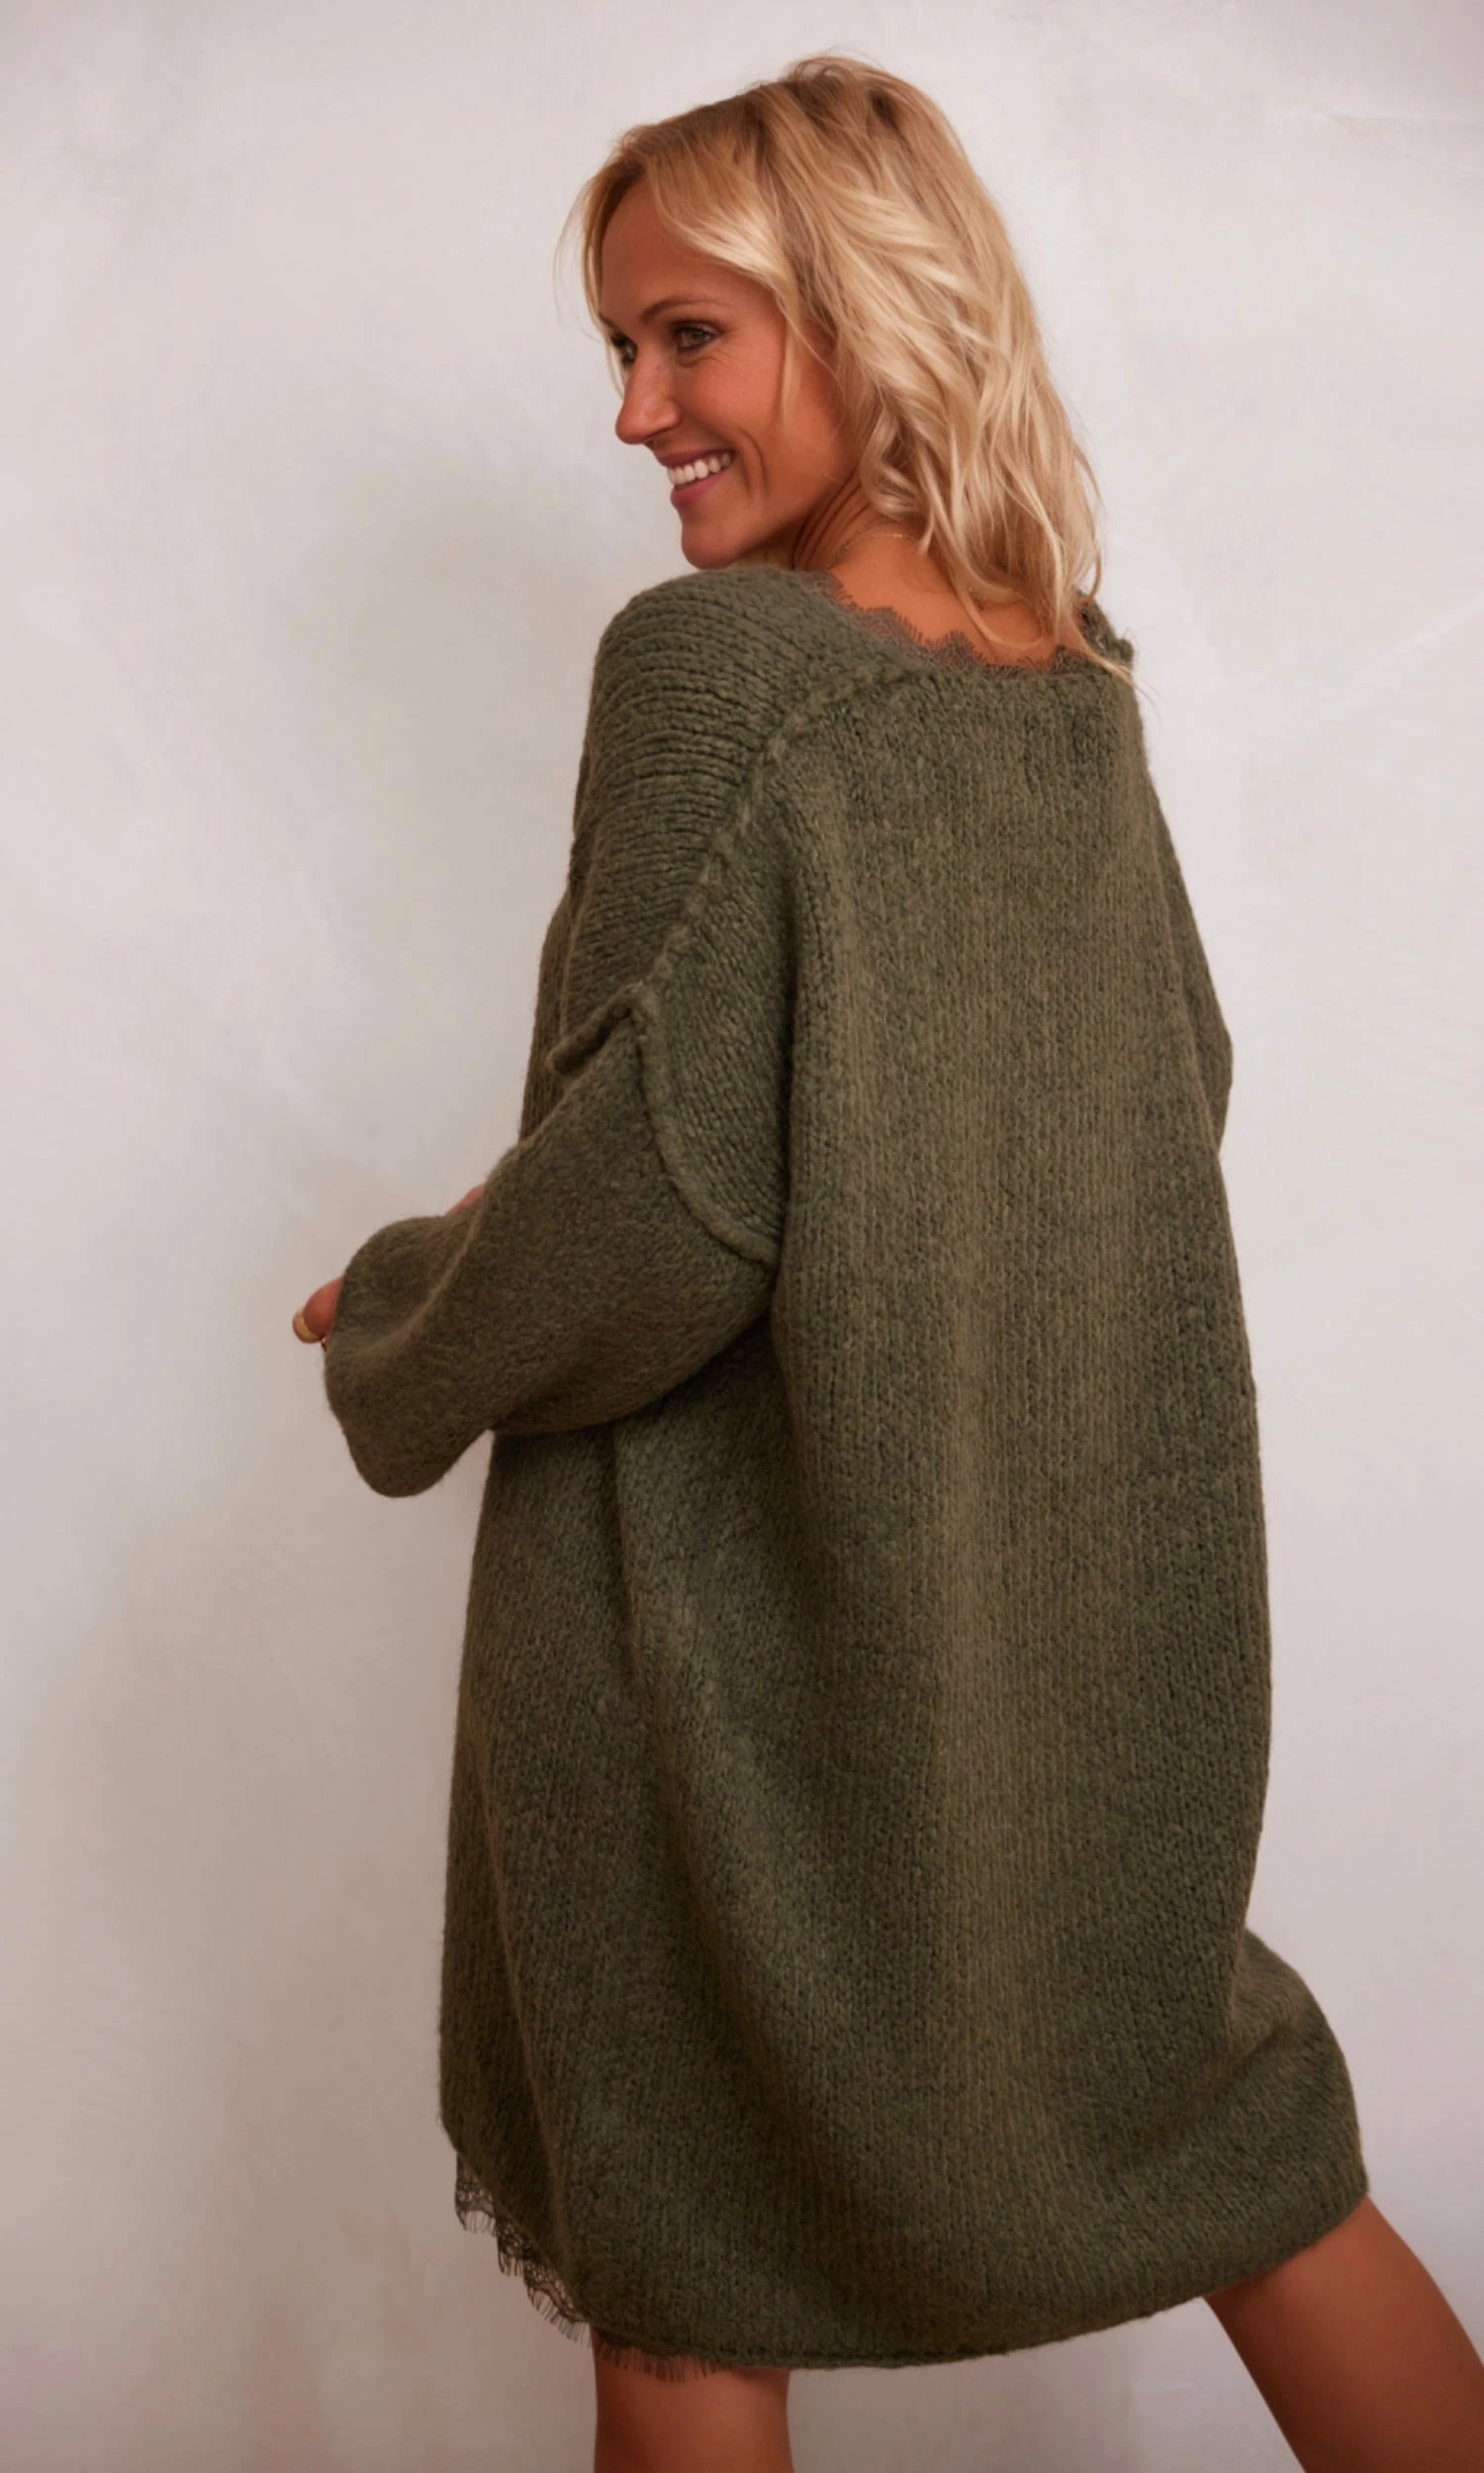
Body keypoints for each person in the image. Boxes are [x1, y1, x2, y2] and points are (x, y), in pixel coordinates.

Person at [293, 52, 1484, 2473]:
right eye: (618, 348)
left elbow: (655, 1210)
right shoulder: (1074, 683)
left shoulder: (719, 675)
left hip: (717, 1671)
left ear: (859, 310)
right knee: (1244, 2156)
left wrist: (407, 1311)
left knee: (688, 2281)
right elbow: (1172, 1084)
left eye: (689, 336)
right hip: (1051, 1647)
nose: (634, 412)